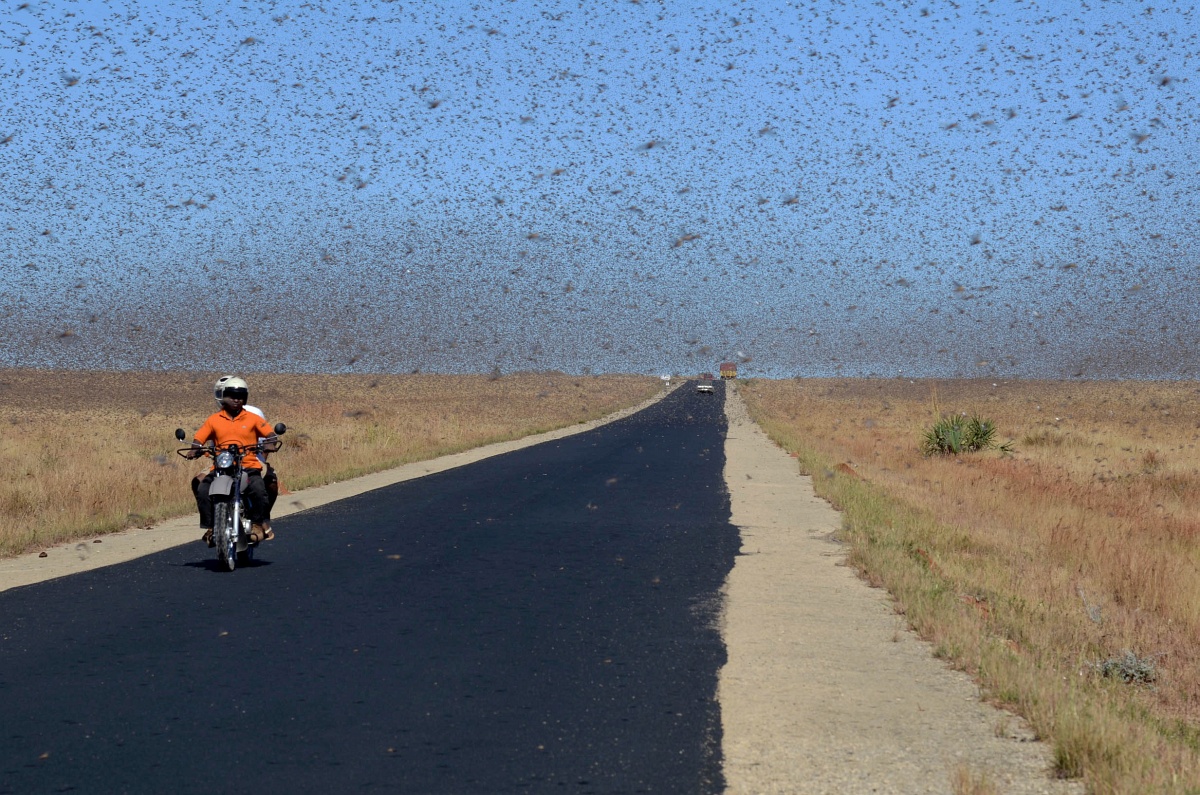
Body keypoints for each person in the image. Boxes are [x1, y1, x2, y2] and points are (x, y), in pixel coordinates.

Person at [187, 377, 278, 546]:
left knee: (258, 489)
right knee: (203, 488)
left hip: (248, 465)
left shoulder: (253, 418)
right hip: (222, 465)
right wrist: (194, 449)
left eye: (240, 396)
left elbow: (270, 434)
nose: (236, 399)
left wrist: (270, 443)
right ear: (223, 397)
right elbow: (199, 437)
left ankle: (258, 524)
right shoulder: (213, 419)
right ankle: (211, 527)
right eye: (231, 395)